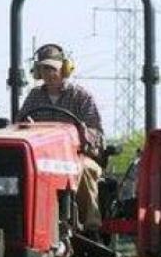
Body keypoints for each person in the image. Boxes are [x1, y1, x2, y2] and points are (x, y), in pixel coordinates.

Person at [18, 44, 104, 232]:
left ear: (64, 69)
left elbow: (96, 131)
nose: (48, 73)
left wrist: (82, 134)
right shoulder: (34, 97)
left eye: (52, 68)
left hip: (76, 155)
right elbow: (20, 124)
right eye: (43, 68)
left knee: (85, 169)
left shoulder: (81, 96)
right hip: (42, 160)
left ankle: (91, 226)